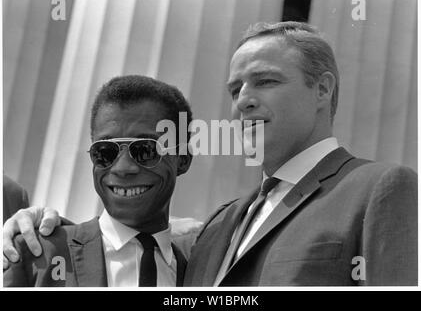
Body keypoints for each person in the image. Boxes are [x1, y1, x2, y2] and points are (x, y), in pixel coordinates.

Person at [4, 22, 417, 286]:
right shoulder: (221, 223)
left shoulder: (380, 188)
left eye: (265, 81)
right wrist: (38, 224)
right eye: (235, 90)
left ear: (322, 90)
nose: (244, 102)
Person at [3, 75, 196, 287]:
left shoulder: (203, 272)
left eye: (145, 150)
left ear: (183, 158)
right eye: (105, 151)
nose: (122, 168)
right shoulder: (32, 254)